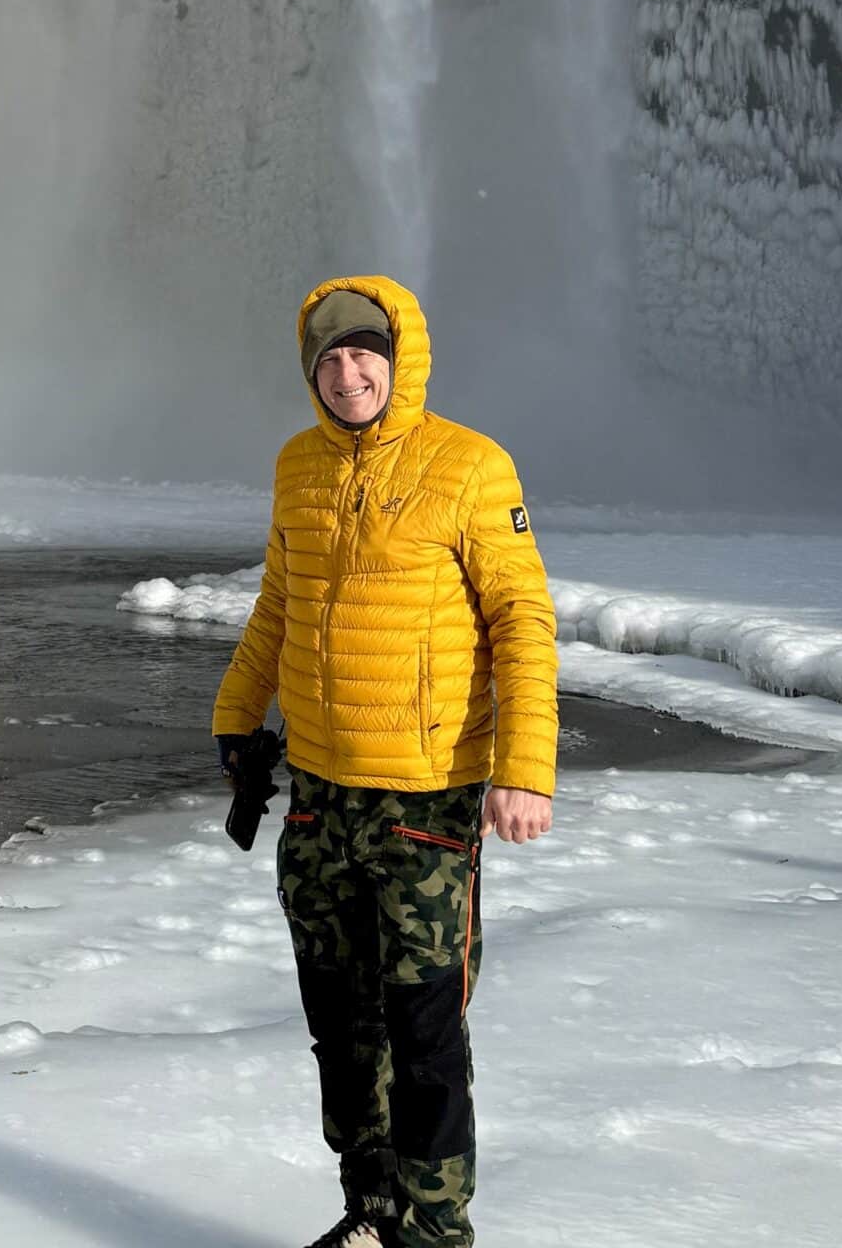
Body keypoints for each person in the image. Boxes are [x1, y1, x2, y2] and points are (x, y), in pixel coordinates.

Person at [212, 274, 557, 1248]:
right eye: (329, 357)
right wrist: (237, 718)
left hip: (426, 801)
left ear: (399, 361)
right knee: (342, 1025)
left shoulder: (470, 466)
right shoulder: (299, 467)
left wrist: (525, 768)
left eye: (365, 352)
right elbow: (279, 605)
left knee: (424, 1032)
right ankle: (370, 1208)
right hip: (321, 799)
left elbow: (521, 620)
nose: (348, 371)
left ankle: (436, 1229)